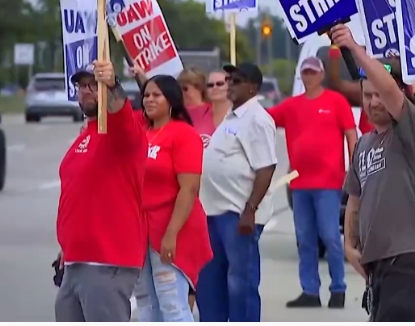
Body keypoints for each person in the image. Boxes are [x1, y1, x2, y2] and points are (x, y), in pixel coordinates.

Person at [330, 24, 415, 322]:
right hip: (378, 264)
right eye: (367, 96)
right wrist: (349, 246)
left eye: (378, 95)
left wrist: (356, 49)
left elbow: (391, 91)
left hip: (411, 258)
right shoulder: (364, 144)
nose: (374, 101)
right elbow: (355, 199)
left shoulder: (409, 130)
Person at [55, 61, 147, 322]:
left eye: (93, 85)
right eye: (81, 86)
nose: (86, 91)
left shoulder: (120, 133)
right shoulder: (87, 134)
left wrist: (112, 85)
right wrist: (66, 247)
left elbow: (120, 112)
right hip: (75, 260)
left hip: (106, 261)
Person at [266, 56, 357, 309]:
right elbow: (264, 120)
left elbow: (351, 134)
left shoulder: (336, 101)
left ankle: (338, 289)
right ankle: (310, 291)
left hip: (329, 182)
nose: (308, 76)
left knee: (329, 235)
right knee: (305, 239)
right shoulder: (291, 106)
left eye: (312, 72)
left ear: (321, 75)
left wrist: (356, 167)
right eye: (305, 72)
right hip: (299, 183)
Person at [196, 62, 278, 322]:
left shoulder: (257, 119)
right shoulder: (232, 117)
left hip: (238, 214)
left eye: (237, 81)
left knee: (240, 285)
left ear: (253, 87)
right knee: (210, 283)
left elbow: (266, 167)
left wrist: (249, 211)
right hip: (213, 212)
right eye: (229, 80)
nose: (230, 85)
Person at [131, 73, 213, 322]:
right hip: (141, 231)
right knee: (146, 302)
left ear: (172, 100)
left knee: (172, 304)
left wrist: (171, 233)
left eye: (157, 95)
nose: (149, 100)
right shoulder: (140, 132)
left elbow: (188, 189)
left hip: (172, 230)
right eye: (146, 95)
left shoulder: (184, 134)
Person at [325, 46, 415, 187]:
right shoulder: (370, 88)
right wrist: (335, 48)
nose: (374, 101)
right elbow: (337, 84)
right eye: (388, 56)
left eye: (397, 57)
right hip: (372, 166)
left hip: (403, 168)